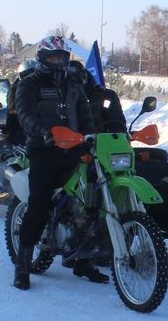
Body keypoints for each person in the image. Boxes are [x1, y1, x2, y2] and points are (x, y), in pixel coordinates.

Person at [12, 36, 103, 290]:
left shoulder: (73, 83)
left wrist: (92, 136)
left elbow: (84, 112)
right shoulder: (29, 84)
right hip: (44, 149)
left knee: (89, 201)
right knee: (39, 204)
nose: (58, 62)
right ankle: (22, 264)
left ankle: (83, 261)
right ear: (42, 58)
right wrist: (43, 131)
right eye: (53, 57)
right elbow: (25, 113)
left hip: (73, 149)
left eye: (62, 57)